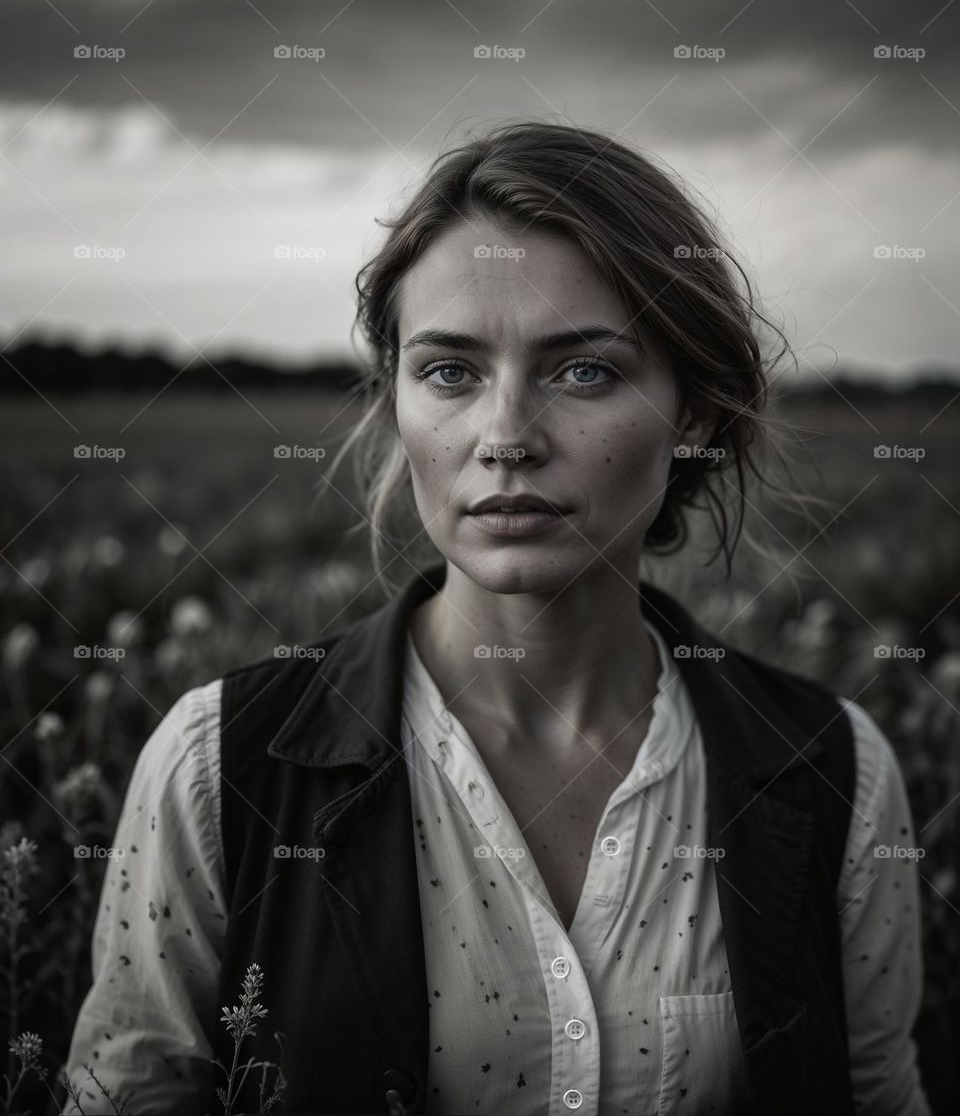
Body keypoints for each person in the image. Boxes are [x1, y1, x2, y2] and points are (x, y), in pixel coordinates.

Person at [62, 120, 932, 1116]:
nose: (508, 437)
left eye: (585, 370)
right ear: (395, 399)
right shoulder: (221, 767)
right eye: (449, 372)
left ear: (692, 414)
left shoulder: (833, 771)